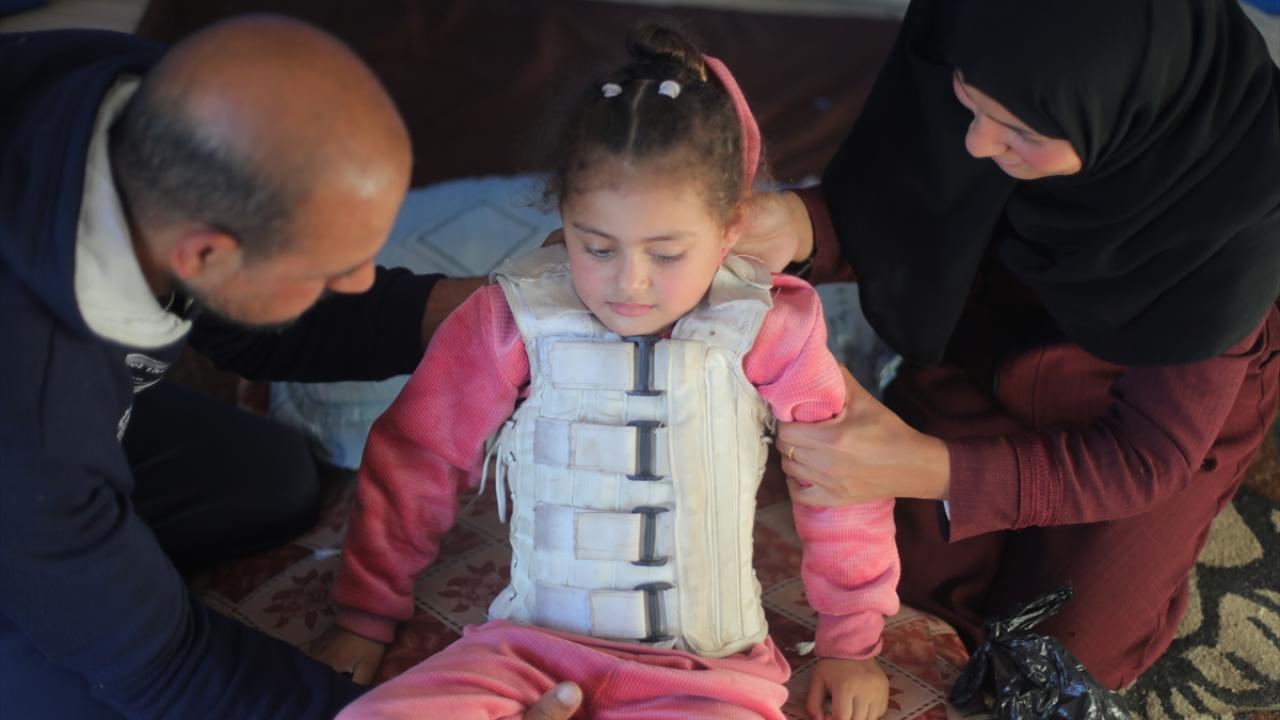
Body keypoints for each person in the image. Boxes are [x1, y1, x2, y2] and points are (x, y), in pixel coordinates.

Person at [306, 22, 899, 720]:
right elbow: (418, 456)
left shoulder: (771, 327)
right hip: (525, 655)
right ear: (563, 215)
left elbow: (842, 487)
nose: (630, 283)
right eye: (596, 247)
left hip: (705, 675)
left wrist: (849, 646)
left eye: (666, 253)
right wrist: (366, 613)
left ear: (731, 227)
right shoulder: (510, 319)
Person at [0, 16, 578, 719]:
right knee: (103, 690)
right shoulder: (36, 417)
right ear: (203, 254)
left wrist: (483, 310)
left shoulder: (135, 98)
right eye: (328, 272)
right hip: (27, 468)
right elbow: (164, 668)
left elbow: (246, 317)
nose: (359, 283)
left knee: (270, 478)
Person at [737, 0, 1280, 690]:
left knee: (1057, 661)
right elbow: (902, 203)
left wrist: (923, 466)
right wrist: (799, 223)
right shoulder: (1004, 72)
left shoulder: (1225, 210)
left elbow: (1146, 457)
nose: (975, 145)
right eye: (968, 101)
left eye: (1020, 130)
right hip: (991, 342)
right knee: (891, 577)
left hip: (1142, 405)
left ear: (1129, 117)